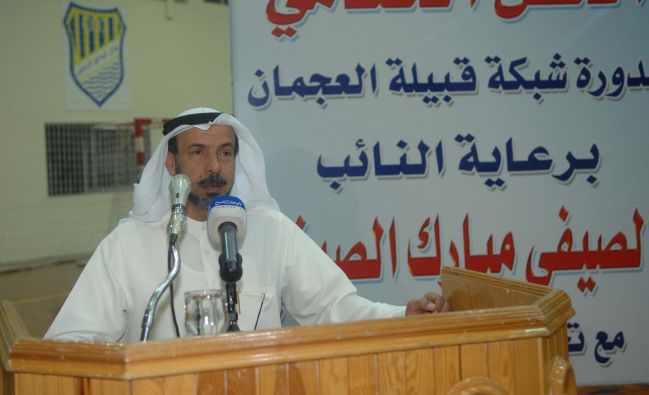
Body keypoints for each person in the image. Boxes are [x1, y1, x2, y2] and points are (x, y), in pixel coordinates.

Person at [45, 107, 449, 342]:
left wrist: (402, 316)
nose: (214, 167)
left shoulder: (272, 231)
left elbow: (333, 307)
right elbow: (73, 339)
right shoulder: (127, 246)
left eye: (225, 153)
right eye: (198, 153)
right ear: (171, 164)